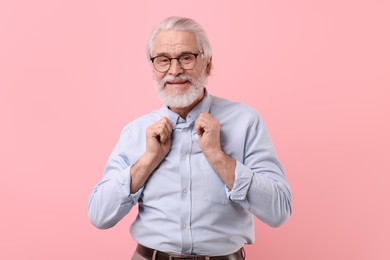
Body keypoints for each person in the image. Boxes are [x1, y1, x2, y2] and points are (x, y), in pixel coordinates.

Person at [88, 16, 292, 260]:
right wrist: (147, 161)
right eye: (163, 60)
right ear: (153, 69)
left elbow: (279, 211)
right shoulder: (135, 131)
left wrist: (218, 157)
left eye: (186, 58)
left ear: (207, 64)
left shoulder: (246, 122)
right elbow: (99, 216)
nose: (175, 71)